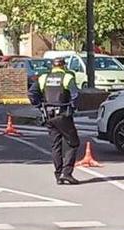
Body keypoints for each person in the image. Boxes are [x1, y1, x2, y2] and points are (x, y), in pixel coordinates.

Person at [28, 57, 80, 185]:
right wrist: (73, 106)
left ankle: (58, 175)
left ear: (53, 66)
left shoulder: (44, 78)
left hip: (49, 115)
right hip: (63, 114)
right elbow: (75, 95)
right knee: (73, 143)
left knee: (55, 146)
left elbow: (31, 93)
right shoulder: (67, 77)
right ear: (63, 66)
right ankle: (66, 173)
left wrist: (39, 105)